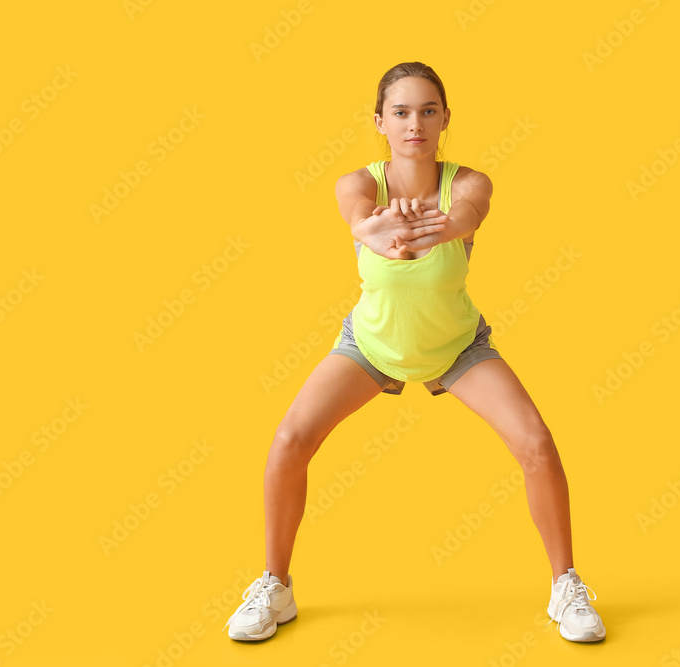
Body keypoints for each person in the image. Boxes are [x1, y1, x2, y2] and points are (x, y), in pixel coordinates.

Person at [223, 61, 606, 644]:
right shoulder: (360, 184)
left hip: (456, 346)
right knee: (288, 441)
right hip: (372, 346)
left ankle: (566, 586)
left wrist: (439, 228)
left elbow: (466, 216)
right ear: (379, 121)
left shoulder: (470, 183)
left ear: (446, 118)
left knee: (536, 443)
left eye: (428, 110)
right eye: (401, 112)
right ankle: (275, 586)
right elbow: (356, 214)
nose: (415, 124)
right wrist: (372, 230)